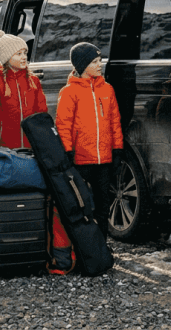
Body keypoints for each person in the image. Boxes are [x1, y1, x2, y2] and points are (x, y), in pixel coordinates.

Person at [54, 43, 123, 237]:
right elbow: (63, 126)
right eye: (94, 61)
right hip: (81, 160)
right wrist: (67, 152)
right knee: (82, 205)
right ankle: (84, 246)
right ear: (82, 65)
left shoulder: (107, 90)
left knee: (103, 205)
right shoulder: (69, 92)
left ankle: (101, 246)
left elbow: (115, 123)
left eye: (99, 60)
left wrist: (117, 150)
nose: (100, 64)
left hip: (104, 161)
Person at [0, 31, 48, 149]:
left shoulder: (33, 81)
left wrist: (43, 144)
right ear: (7, 58)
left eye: (25, 53)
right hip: (3, 149)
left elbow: (41, 114)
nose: (24, 57)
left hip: (31, 148)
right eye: (18, 54)